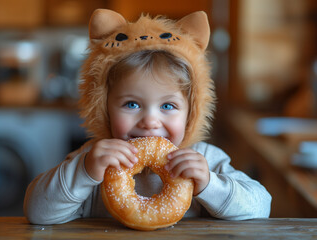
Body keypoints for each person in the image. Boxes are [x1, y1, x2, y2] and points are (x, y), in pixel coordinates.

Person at [24, 9, 271, 225]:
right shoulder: (94, 160)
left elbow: (262, 207)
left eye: (168, 106)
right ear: (104, 108)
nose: (150, 121)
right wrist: (85, 171)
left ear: (191, 112)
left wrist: (210, 185)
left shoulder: (204, 160)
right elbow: (36, 212)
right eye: (131, 104)